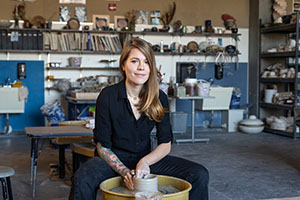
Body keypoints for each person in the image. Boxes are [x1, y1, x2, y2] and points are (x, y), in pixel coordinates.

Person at [69, 37, 209, 200]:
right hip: (112, 159)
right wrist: (123, 171)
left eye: (146, 62)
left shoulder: (159, 97)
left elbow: (165, 144)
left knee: (199, 174)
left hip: (145, 158)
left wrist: (145, 162)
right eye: (135, 61)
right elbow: (102, 146)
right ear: (123, 65)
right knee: (82, 178)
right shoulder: (108, 96)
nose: (141, 67)